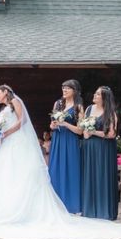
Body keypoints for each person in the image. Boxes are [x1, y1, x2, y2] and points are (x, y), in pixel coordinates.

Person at [0, 85, 121, 239]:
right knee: (6, 175)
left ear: (6, 92)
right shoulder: (5, 108)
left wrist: (6, 133)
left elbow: (22, 122)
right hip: (7, 144)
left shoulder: (15, 101)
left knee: (18, 173)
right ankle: (2, 209)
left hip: (16, 142)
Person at [80, 86, 120, 220]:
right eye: (95, 93)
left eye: (98, 94)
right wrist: (86, 133)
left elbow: (111, 134)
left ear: (104, 98)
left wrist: (94, 132)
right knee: (90, 175)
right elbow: (83, 126)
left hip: (104, 147)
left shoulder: (111, 113)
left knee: (103, 175)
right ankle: (90, 209)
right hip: (89, 146)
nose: (95, 95)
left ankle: (104, 210)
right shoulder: (89, 109)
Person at [48, 79, 83, 213]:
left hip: (70, 141)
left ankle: (71, 205)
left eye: (67, 88)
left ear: (74, 91)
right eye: (63, 88)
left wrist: (66, 124)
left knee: (71, 170)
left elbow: (80, 130)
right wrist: (53, 125)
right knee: (56, 169)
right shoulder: (58, 104)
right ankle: (55, 204)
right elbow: (51, 124)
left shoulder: (78, 107)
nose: (64, 90)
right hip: (58, 139)